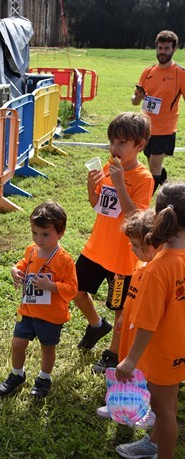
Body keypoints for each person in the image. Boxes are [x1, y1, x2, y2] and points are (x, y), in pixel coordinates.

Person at [114, 182, 185, 459]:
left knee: (163, 409)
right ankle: (156, 443)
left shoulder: (159, 267)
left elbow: (147, 324)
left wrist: (130, 361)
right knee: (168, 404)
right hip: (177, 348)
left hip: (163, 351)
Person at [74, 112, 154, 374]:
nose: (114, 148)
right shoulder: (108, 168)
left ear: (139, 145)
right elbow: (97, 205)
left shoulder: (143, 178)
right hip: (96, 247)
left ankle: (113, 353)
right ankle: (97, 325)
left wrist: (120, 184)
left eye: (121, 143)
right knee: (74, 287)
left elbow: (137, 219)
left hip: (121, 259)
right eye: (112, 142)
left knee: (120, 310)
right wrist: (90, 185)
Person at [0, 201, 77, 399]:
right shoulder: (32, 250)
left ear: (61, 233)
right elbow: (24, 264)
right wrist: (15, 270)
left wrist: (52, 286)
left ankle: (44, 378)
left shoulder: (64, 260)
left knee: (47, 348)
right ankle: (17, 374)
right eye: (35, 233)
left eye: (45, 234)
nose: (39, 239)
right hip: (28, 310)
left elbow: (73, 288)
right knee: (17, 343)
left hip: (50, 315)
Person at [96, 209, 161, 429]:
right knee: (126, 364)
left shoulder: (157, 270)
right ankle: (120, 401)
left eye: (134, 245)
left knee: (143, 372)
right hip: (130, 326)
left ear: (152, 243)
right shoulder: (141, 265)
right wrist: (123, 315)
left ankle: (147, 409)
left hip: (145, 331)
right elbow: (131, 294)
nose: (131, 250)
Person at [131, 30, 185, 193]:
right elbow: (134, 101)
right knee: (154, 165)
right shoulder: (147, 72)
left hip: (165, 130)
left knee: (154, 168)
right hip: (146, 129)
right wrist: (138, 98)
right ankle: (170, 192)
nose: (162, 52)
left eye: (166, 48)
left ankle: (146, 207)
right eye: (160, 48)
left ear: (174, 50)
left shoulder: (180, 74)